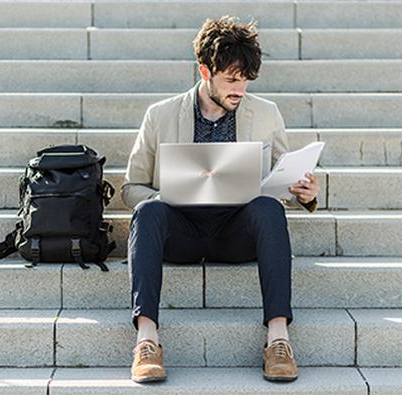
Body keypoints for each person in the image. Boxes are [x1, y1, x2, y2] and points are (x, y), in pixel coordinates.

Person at [121, 15, 320, 383]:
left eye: (245, 79)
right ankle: (147, 340)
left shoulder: (266, 113)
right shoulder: (160, 115)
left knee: (268, 208)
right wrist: (170, 195)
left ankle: (278, 340)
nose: (239, 89)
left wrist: (303, 193)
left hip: (236, 232)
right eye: (230, 79)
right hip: (180, 231)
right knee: (147, 212)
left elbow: (283, 177)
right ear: (204, 71)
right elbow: (131, 188)